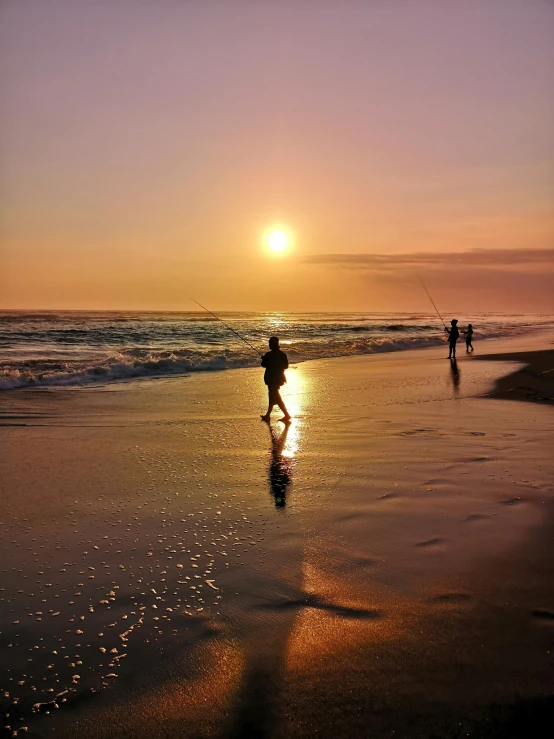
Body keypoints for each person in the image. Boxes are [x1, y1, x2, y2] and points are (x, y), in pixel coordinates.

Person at [260, 336, 291, 422]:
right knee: (273, 396)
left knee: (275, 396)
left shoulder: (268, 355)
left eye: (269, 343)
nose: (269, 345)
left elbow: (263, 365)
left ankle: (285, 415)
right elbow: (286, 366)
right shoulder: (283, 355)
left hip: (271, 378)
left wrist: (264, 359)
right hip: (280, 378)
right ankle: (268, 415)